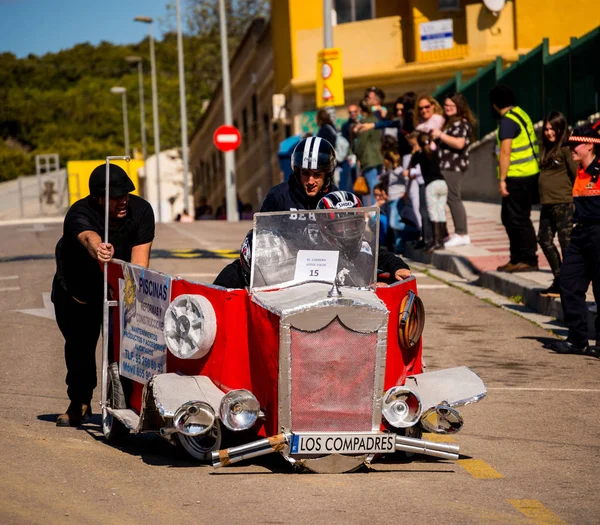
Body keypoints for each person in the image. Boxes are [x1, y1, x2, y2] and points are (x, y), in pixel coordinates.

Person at [52, 163, 155, 427]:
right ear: (98, 199)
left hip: (118, 288)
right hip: (77, 293)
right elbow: (88, 237)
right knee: (80, 349)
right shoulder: (79, 213)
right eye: (115, 197)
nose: (123, 201)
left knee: (124, 347)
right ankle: (79, 403)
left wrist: (131, 299)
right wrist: (100, 249)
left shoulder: (141, 211)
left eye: (126, 195)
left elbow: (140, 261)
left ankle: (126, 403)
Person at [213, 137, 339, 289]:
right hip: (283, 269)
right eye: (305, 173)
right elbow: (262, 236)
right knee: (233, 274)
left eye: (317, 174)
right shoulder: (279, 195)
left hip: (326, 272)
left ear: (327, 174)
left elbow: (350, 243)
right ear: (297, 171)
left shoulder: (337, 199)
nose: (311, 181)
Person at [546, 123, 600, 357]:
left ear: (589, 145)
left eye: (575, 144)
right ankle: (577, 340)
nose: (571, 149)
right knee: (568, 282)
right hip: (581, 232)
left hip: (599, 232)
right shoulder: (578, 170)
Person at [490, 85, 540, 273]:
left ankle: (528, 259)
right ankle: (517, 257)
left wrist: (502, 180)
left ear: (494, 105)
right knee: (513, 218)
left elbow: (505, 152)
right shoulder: (521, 114)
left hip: (517, 176)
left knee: (516, 219)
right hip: (529, 174)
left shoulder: (507, 122)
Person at [537, 112, 578, 296]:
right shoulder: (546, 149)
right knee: (544, 240)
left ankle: (570, 284)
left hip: (564, 203)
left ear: (560, 128)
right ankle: (559, 279)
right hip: (547, 204)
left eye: (552, 128)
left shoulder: (566, 149)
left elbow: (576, 175)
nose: (548, 132)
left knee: (566, 244)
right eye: (546, 129)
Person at [431, 92, 476, 247]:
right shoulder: (450, 123)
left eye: (452, 105)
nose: (448, 108)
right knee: (447, 199)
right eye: (446, 105)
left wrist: (440, 135)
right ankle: (451, 233)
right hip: (445, 166)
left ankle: (462, 233)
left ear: (459, 106)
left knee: (453, 198)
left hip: (454, 166)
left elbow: (460, 144)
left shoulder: (462, 123)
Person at [407, 131, 448, 252]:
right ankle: (441, 241)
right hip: (443, 183)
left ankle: (435, 241)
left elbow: (411, 171)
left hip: (431, 185)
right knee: (441, 212)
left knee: (433, 213)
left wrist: (414, 152)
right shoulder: (435, 152)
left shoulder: (419, 155)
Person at [354, 99, 383, 205]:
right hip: (379, 157)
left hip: (368, 159)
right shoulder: (375, 120)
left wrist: (357, 155)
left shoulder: (363, 123)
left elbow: (360, 145)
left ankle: (377, 216)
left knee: (374, 189)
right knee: (379, 188)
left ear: (361, 110)